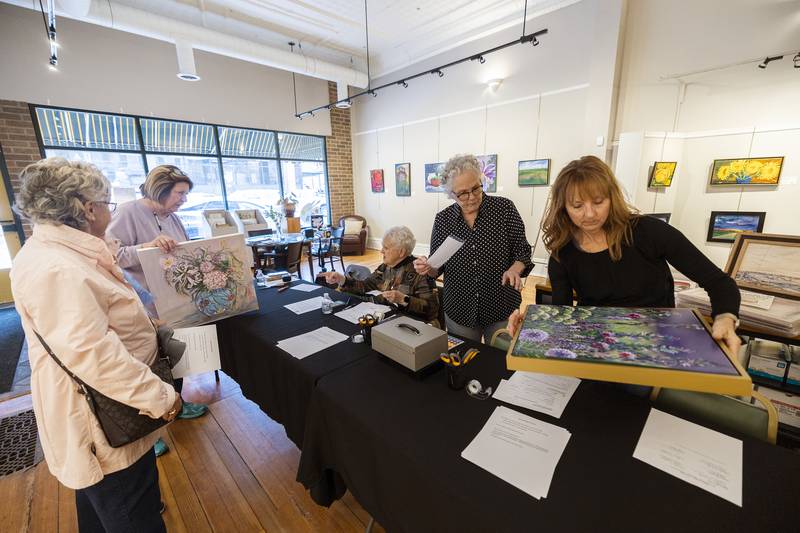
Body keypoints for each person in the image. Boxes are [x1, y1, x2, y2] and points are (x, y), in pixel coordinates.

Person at [11, 158, 180, 532]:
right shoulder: (60, 268)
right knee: (130, 510)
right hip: (103, 416)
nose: (109, 211)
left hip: (105, 409)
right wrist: (162, 398)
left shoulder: (60, 254)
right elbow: (94, 356)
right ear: (88, 209)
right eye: (107, 204)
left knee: (102, 504)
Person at [507, 155, 741, 355]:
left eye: (598, 202)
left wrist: (725, 318)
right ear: (564, 208)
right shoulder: (563, 251)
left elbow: (719, 283)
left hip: (657, 347)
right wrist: (531, 328)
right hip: (597, 349)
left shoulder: (649, 231)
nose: (589, 214)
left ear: (612, 198)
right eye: (577, 206)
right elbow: (562, 314)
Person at [107, 164, 208, 457]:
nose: (183, 200)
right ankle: (150, 429)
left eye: (185, 195)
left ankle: (178, 400)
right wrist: (148, 246)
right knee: (151, 359)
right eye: (180, 193)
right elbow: (113, 254)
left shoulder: (173, 217)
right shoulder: (128, 212)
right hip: (144, 301)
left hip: (174, 297)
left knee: (176, 351)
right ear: (161, 188)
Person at [413, 154, 533, 342]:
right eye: (462, 193)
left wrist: (514, 269)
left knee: (503, 363)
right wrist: (427, 267)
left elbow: (522, 251)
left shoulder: (504, 209)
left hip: (501, 304)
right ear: (451, 194)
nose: (472, 197)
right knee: (465, 363)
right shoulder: (444, 220)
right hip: (460, 307)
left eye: (476, 188)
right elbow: (437, 267)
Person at [323, 226, 440, 326]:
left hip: (413, 328)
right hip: (387, 322)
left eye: (386, 248)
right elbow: (365, 286)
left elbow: (431, 310)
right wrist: (341, 279)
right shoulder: (385, 267)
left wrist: (403, 299)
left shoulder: (420, 271)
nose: (381, 251)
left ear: (401, 252)